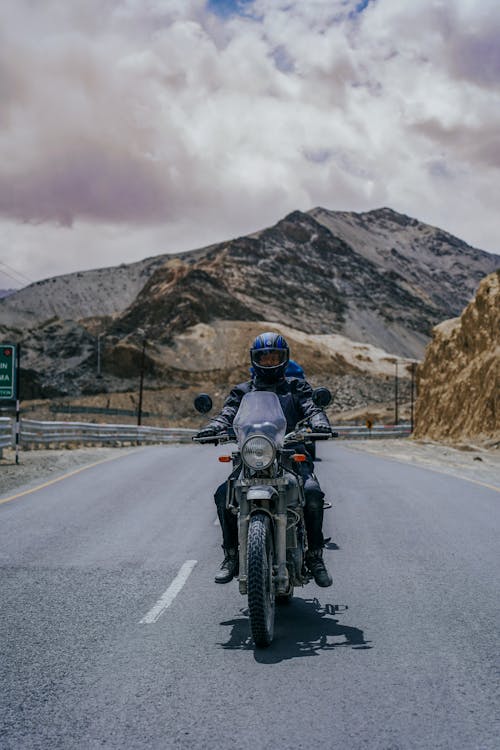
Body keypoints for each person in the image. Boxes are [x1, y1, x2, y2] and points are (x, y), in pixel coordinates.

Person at [195, 332, 333, 588]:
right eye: (264, 357)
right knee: (223, 494)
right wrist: (213, 426)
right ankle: (231, 556)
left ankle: (315, 556)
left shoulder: (296, 387)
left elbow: (312, 408)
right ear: (255, 359)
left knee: (312, 493)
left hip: (291, 455)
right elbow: (227, 413)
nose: (269, 362)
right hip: (253, 458)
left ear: (284, 359)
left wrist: (319, 422)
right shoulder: (242, 391)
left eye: (274, 357)